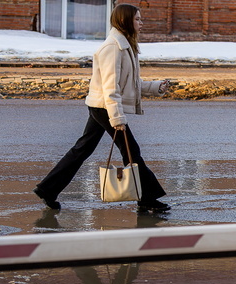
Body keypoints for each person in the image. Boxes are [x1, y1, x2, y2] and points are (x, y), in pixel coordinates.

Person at [33, 3, 171, 213]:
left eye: (141, 19)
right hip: (105, 107)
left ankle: (48, 189)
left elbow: (129, 83)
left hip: (102, 106)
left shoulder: (125, 46)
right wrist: (118, 118)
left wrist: (155, 87)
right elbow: (110, 87)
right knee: (131, 150)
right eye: (137, 19)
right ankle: (147, 198)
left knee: (82, 149)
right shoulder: (112, 48)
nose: (141, 23)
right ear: (125, 21)